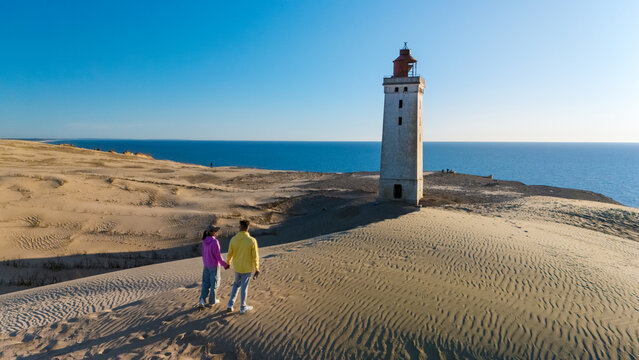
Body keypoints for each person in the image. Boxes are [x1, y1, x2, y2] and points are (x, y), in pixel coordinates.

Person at [226, 219, 260, 314]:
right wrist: (257, 268)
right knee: (244, 288)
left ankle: (230, 304)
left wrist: (228, 263)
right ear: (247, 228)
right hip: (247, 268)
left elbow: (229, 254)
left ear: (240, 227)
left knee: (236, 285)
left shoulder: (233, 239)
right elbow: (255, 256)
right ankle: (243, 307)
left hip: (237, 268)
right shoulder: (252, 240)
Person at [199, 225, 229, 308]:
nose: (217, 232)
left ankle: (202, 300)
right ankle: (212, 301)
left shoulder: (204, 241)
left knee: (205, 283)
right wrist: (225, 264)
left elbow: (203, 254)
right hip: (214, 266)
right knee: (214, 283)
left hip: (206, 265)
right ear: (212, 232)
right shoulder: (215, 242)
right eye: (215, 231)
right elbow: (218, 256)